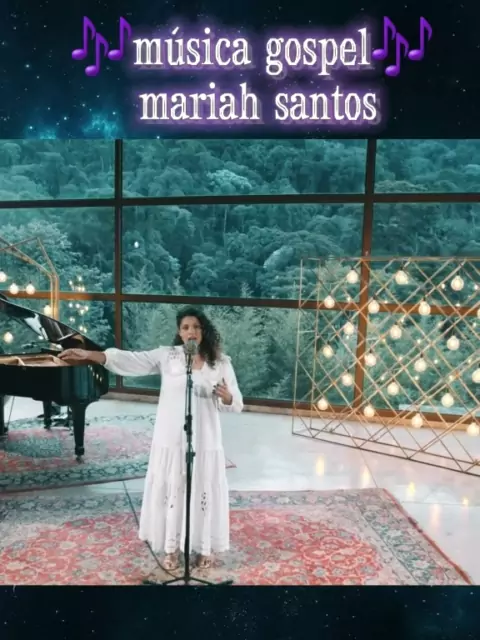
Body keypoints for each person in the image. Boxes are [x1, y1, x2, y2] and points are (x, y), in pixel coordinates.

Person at [59, 306, 244, 571]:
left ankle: (204, 547)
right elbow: (130, 360)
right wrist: (90, 355)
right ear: (179, 333)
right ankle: (171, 547)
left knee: (202, 489)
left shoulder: (220, 362)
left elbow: (236, 402)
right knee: (173, 489)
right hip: (171, 439)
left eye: (196, 327)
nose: (191, 332)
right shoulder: (168, 357)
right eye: (186, 327)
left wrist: (227, 397)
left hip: (205, 440)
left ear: (204, 331)